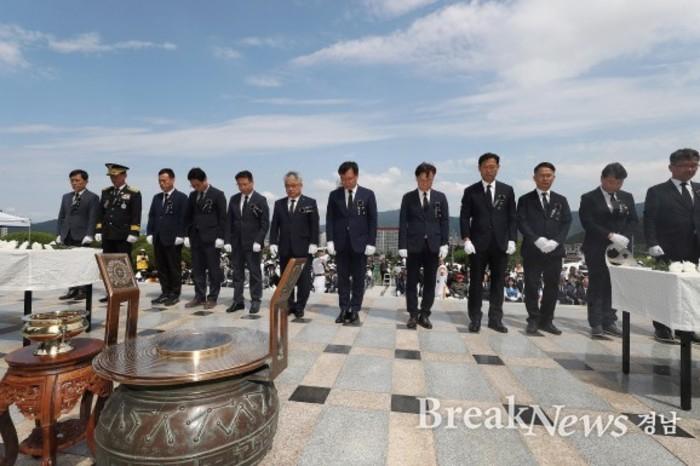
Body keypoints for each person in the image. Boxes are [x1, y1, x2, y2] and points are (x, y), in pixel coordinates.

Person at [644, 149, 700, 343]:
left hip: (695, 247)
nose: (690, 169)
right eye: (685, 165)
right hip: (667, 247)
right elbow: (649, 219)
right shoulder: (657, 191)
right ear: (671, 167)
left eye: (694, 165)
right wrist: (652, 243)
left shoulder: (698, 189)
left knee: (691, 289)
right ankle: (662, 327)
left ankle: (687, 328)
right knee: (665, 289)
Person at [459, 153, 517, 333]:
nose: (489, 170)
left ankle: (495, 319)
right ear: (479, 169)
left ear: (498, 168)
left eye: (492, 167)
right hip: (477, 244)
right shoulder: (471, 191)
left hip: (500, 243)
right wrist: (466, 239)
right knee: (476, 283)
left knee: (498, 283)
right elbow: (464, 217)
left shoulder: (507, 190)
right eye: (485, 167)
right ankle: (475, 318)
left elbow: (512, 217)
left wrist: (512, 239)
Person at [579, 162, 638, 338]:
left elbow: (633, 220)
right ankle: (596, 322)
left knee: (614, 284)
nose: (615, 186)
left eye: (619, 182)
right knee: (597, 284)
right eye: (612, 182)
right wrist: (609, 235)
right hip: (597, 246)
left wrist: (625, 236)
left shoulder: (627, 197)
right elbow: (588, 222)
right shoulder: (589, 197)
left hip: (620, 248)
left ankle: (610, 320)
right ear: (603, 179)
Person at [517, 162, 572, 335]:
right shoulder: (525, 200)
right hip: (533, 250)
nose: (545, 178)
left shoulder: (561, 200)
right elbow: (521, 222)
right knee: (531, 285)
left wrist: (556, 241)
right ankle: (533, 319)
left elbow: (567, 222)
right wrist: (536, 239)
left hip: (554, 251)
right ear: (534, 177)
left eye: (549, 175)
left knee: (552, 286)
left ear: (553, 178)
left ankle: (547, 320)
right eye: (542, 175)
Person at [398, 162, 450, 329]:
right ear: (417, 178)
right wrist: (402, 245)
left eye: (430, 180)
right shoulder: (408, 198)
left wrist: (444, 243)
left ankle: (425, 314)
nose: (426, 183)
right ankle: (413, 314)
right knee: (411, 281)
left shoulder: (440, 197)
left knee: (429, 282)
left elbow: (444, 222)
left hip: (433, 245)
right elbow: (403, 222)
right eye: (423, 179)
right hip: (413, 245)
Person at [326, 161, 378, 324]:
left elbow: (372, 220)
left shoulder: (367, 194)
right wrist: (330, 240)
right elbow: (330, 219)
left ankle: (355, 309)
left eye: (349, 178)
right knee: (342, 279)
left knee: (358, 278)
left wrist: (371, 242)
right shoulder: (334, 195)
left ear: (356, 176)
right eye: (343, 179)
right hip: (341, 243)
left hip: (360, 244)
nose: (346, 182)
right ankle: (343, 309)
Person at [268, 171, 320, 319]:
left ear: (300, 185)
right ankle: (290, 305)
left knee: (303, 281)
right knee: (287, 280)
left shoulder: (310, 203)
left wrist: (314, 242)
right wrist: (273, 242)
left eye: (293, 185)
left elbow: (314, 225)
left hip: (303, 248)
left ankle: (300, 306)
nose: (290, 189)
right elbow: (275, 225)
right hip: (285, 247)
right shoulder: (279, 204)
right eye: (287, 186)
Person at [95, 163, 142, 302]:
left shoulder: (133, 193)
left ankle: (126, 292)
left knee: (123, 265)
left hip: (123, 235)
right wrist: (98, 229)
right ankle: (112, 292)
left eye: (116, 176)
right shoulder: (106, 192)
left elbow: (136, 214)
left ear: (124, 175)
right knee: (109, 265)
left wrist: (134, 232)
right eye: (111, 176)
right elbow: (101, 213)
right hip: (108, 234)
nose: (113, 179)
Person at [225, 171, 270, 314]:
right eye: (239, 185)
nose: (242, 187)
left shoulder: (260, 199)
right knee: (237, 273)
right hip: (236, 243)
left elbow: (265, 223)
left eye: (244, 184)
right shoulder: (233, 199)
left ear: (251, 183)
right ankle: (238, 301)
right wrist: (227, 240)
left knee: (254, 273)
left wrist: (259, 240)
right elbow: (229, 221)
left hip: (253, 244)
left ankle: (255, 300)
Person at [184, 167, 227, 310]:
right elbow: (188, 217)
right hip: (195, 238)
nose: (196, 188)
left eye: (197, 185)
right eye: (193, 185)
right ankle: (199, 296)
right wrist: (187, 234)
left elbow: (223, 218)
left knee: (213, 270)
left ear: (205, 180)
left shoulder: (218, 195)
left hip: (212, 238)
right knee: (197, 269)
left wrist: (221, 237)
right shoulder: (192, 196)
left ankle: (213, 297)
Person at [146, 168, 188, 306]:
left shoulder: (181, 198)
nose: (161, 183)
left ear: (172, 180)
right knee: (161, 267)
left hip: (173, 239)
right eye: (159, 181)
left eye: (164, 180)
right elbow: (152, 216)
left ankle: (174, 294)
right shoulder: (157, 197)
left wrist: (181, 235)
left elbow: (184, 218)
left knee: (173, 267)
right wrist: (150, 233)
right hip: (158, 238)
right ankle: (165, 292)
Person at [56, 169, 99, 300]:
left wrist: (90, 234)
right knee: (69, 264)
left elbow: (93, 217)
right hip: (67, 234)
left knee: (82, 264)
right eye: (72, 181)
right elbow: (61, 217)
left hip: (82, 236)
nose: (74, 183)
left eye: (77, 180)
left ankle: (83, 290)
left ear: (85, 181)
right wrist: (59, 233)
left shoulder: (92, 197)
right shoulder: (66, 197)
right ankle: (72, 289)